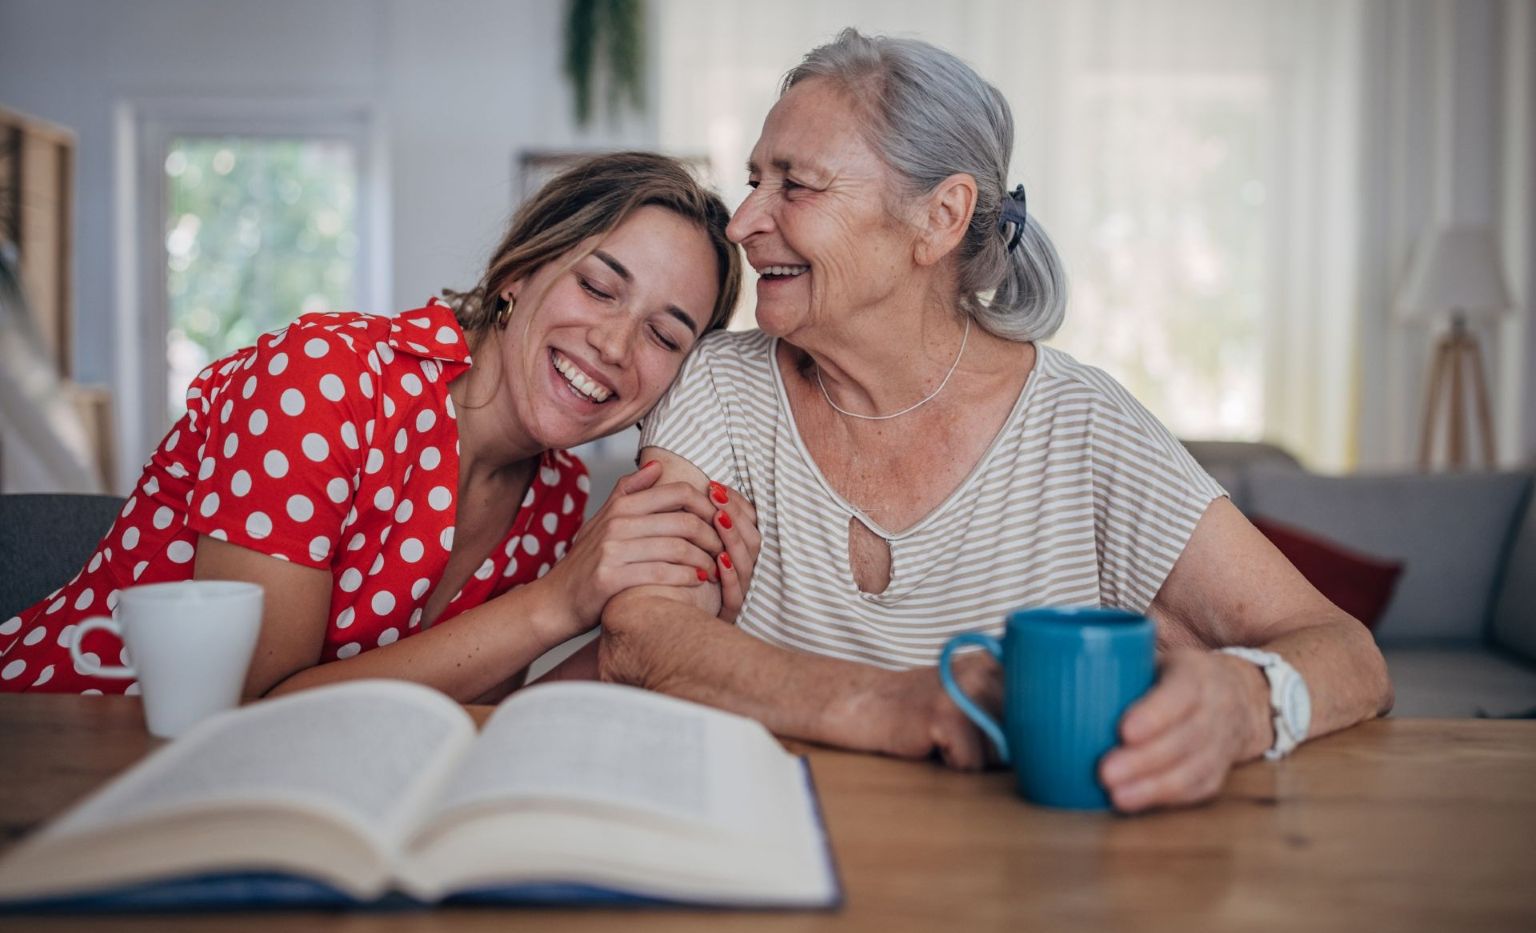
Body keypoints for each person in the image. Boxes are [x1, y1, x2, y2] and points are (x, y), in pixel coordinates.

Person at [588, 31, 1394, 813]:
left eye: (795, 185)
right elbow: (645, 631)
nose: (743, 222)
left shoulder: (1084, 427)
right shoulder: (720, 385)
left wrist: (1244, 701)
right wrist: (893, 705)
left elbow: (1343, 650)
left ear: (939, 219)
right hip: (756, 850)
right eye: (754, 178)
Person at [0, 152, 756, 702]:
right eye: (598, 286)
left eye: (665, 335)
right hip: (60, 747)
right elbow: (257, 712)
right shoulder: (322, 379)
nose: (616, 346)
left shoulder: (554, 496)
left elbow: (466, 713)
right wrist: (562, 598)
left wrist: (663, 624)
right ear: (520, 273)